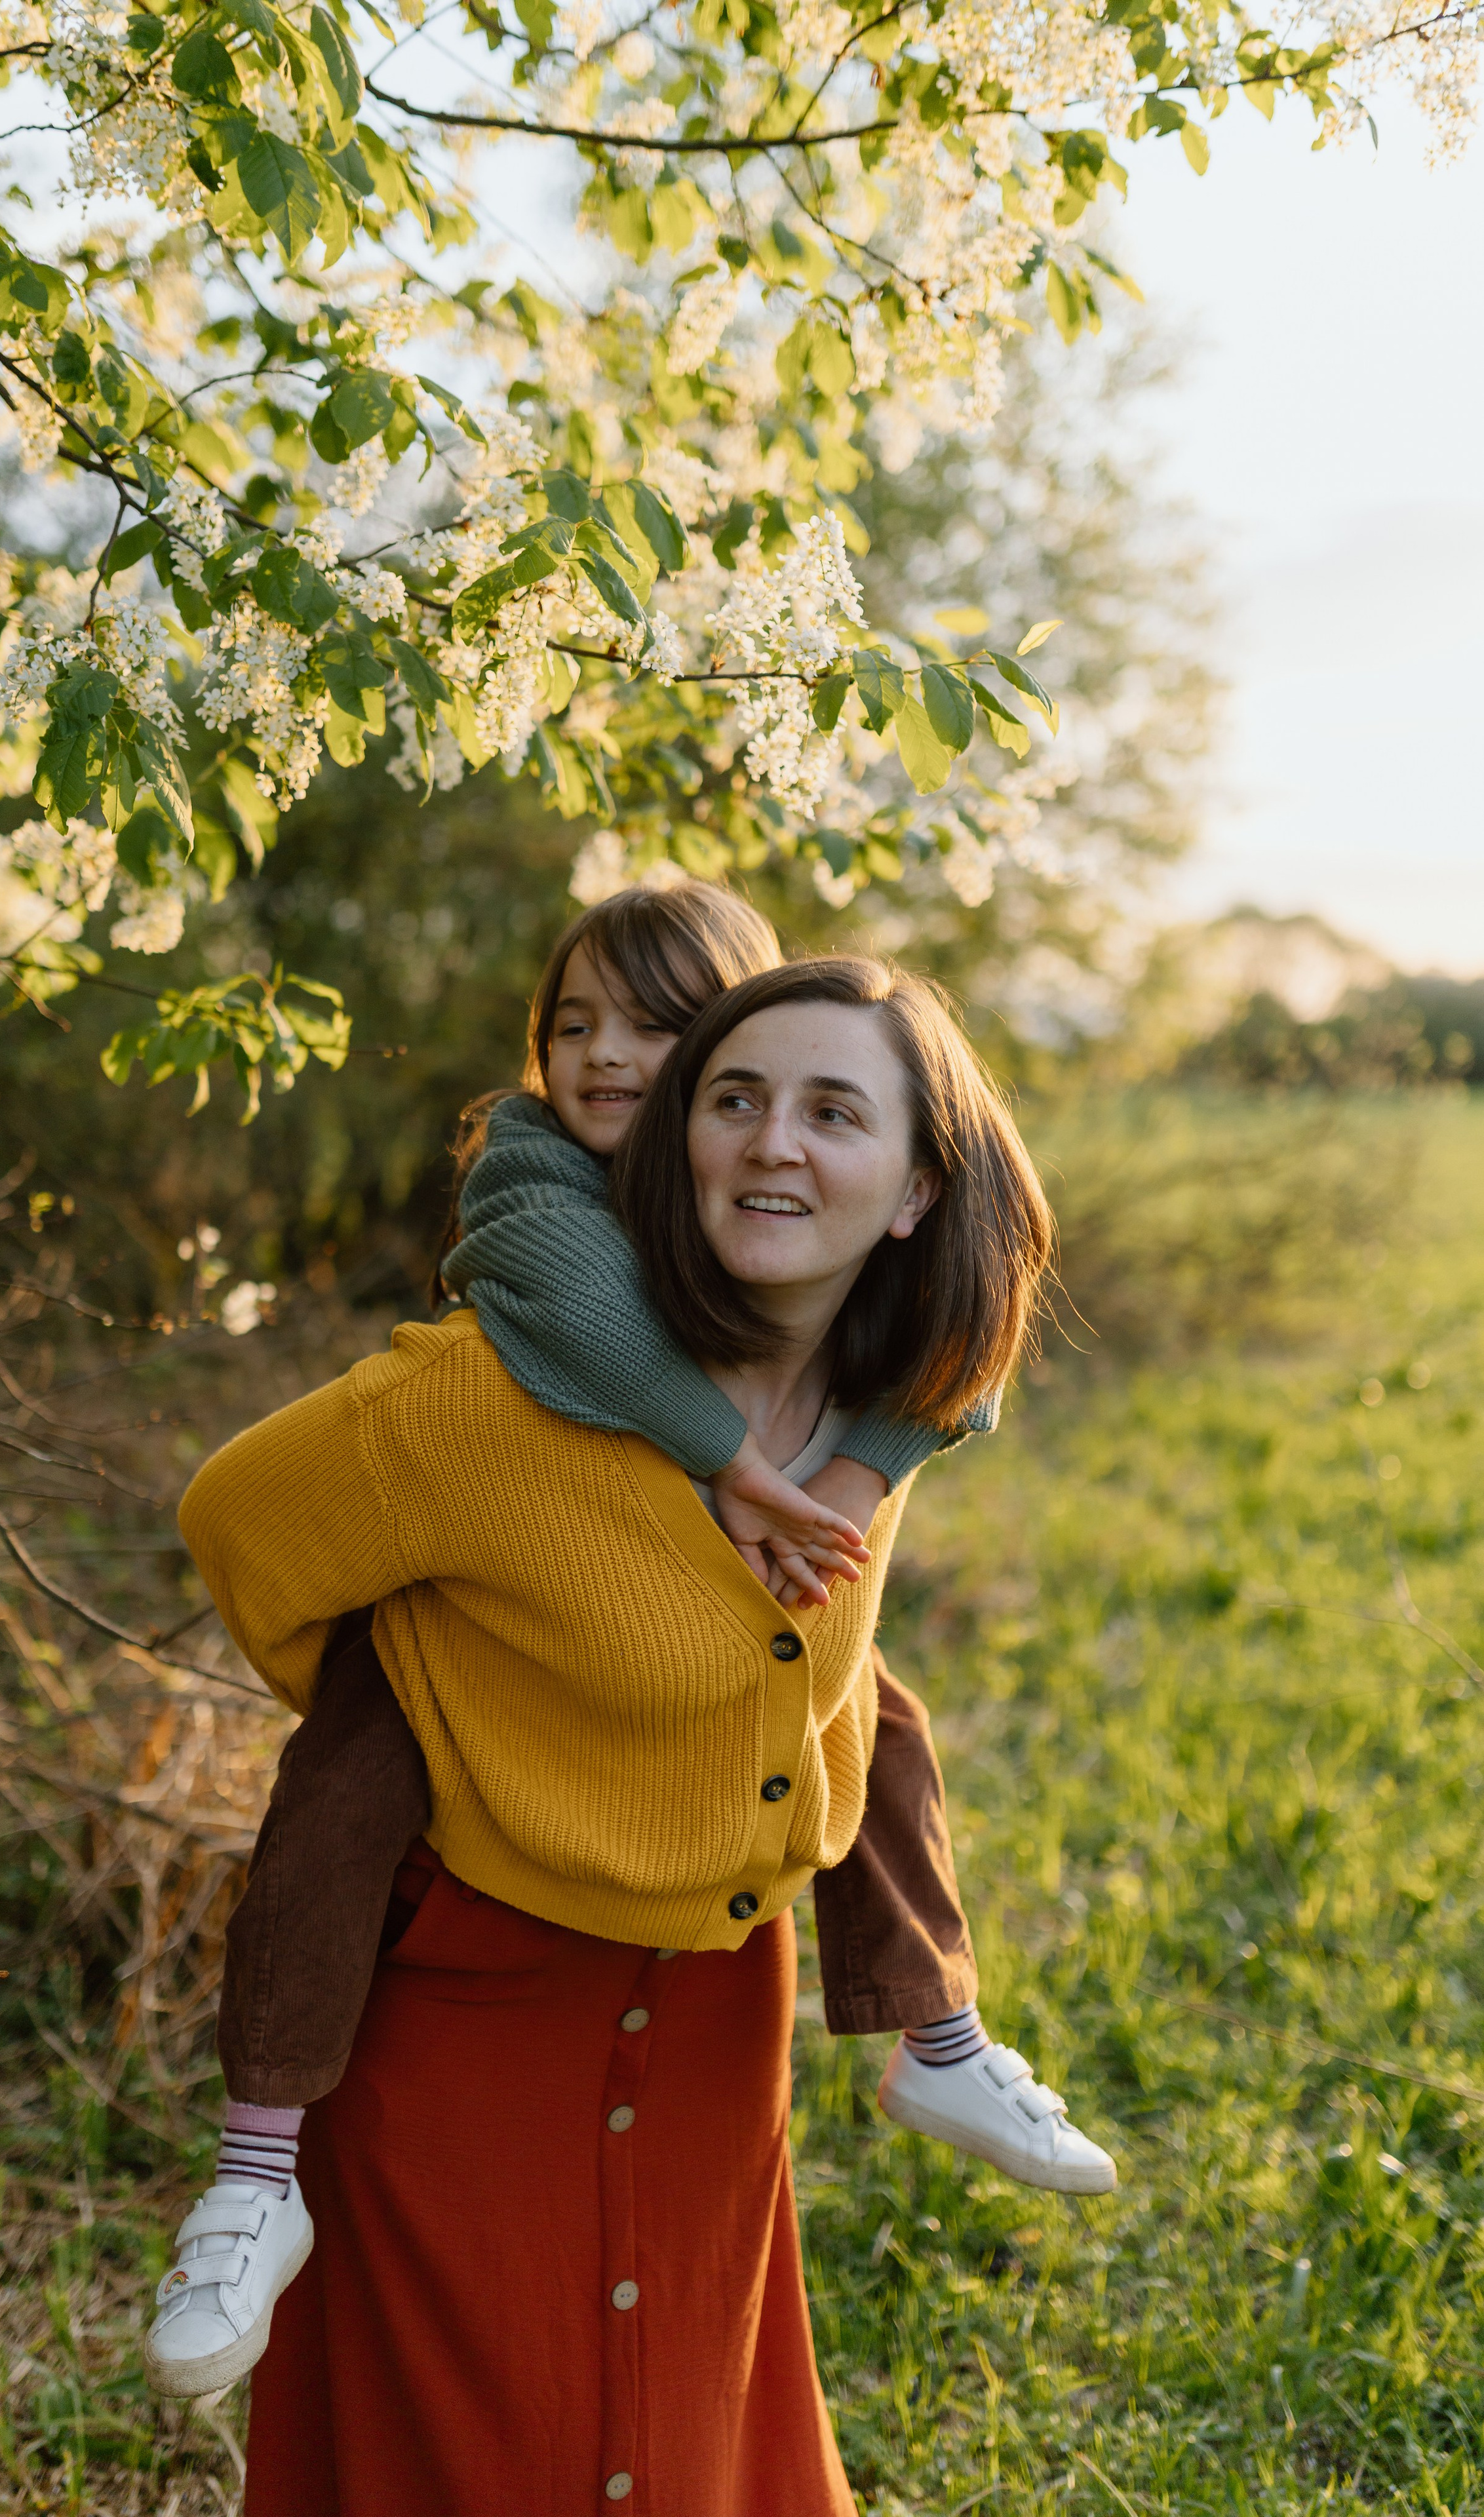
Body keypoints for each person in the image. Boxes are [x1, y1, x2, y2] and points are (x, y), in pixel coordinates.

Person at [153, 954, 1107, 2515]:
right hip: (466, 1990)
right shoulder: (477, 1400)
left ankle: (940, 2035)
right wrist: (449, 1712)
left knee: (681, 2429)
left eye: (829, 1111)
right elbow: (238, 1528)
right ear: (674, 1138)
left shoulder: (887, 1396)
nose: (773, 1143)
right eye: (733, 1099)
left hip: (722, 2004)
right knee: (473, 2440)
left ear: (915, 1190)